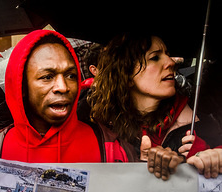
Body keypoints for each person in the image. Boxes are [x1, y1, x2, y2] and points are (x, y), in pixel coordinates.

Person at [87, 32, 222, 180]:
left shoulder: (202, 127)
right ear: (125, 74)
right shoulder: (98, 126)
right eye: (155, 57)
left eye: (167, 54)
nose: (171, 62)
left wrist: (206, 159)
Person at [0, 30, 103, 163]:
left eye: (70, 75)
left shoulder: (107, 146)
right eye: (47, 77)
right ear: (22, 86)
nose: (63, 87)